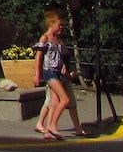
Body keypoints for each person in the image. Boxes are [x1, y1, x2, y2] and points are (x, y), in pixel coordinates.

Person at [33, 9, 85, 139]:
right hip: (49, 72)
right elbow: (38, 57)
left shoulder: (59, 40)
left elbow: (63, 57)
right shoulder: (45, 38)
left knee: (55, 101)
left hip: (58, 73)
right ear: (52, 24)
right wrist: (37, 74)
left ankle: (50, 129)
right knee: (65, 99)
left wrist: (66, 69)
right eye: (59, 25)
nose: (61, 27)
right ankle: (52, 126)